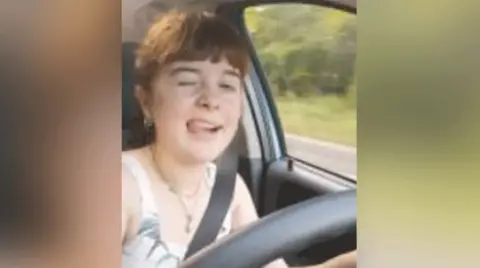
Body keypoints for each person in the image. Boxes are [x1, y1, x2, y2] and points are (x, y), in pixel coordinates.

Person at [121, 10, 356, 268]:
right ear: (147, 101)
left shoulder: (229, 189)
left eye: (227, 86)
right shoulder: (118, 186)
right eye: (187, 81)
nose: (210, 100)